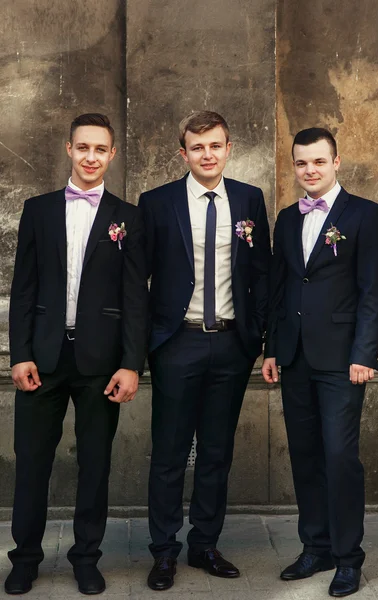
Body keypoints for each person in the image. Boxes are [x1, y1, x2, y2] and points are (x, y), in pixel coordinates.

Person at [6, 113, 148, 595]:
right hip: (41, 359)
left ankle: (86, 556)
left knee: (95, 463)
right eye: (82, 147)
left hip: (101, 363)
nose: (90, 157)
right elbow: (22, 289)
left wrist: (131, 363)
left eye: (100, 149)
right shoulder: (38, 210)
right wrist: (18, 354)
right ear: (69, 149)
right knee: (31, 463)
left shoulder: (127, 218)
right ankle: (25, 558)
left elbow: (135, 299)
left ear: (111, 155)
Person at [139, 111, 271, 591]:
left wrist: (256, 337)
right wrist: (144, 346)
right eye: (197, 147)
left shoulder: (250, 199)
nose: (207, 154)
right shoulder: (157, 203)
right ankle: (164, 551)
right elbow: (139, 280)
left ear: (228, 147)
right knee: (171, 453)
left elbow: (261, 272)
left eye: (215, 145)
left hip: (232, 345)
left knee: (217, 452)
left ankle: (206, 544)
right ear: (184, 153)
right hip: (178, 342)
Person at [262, 127, 378, 597]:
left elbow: (373, 292)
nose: (309, 170)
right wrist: (273, 347)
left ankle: (347, 557)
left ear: (337, 162)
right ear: (293, 166)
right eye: (301, 163)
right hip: (294, 356)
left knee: (339, 456)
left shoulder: (364, 215)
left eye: (318, 161)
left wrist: (364, 355)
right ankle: (313, 546)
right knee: (306, 455)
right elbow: (280, 292)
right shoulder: (287, 219)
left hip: (342, 361)